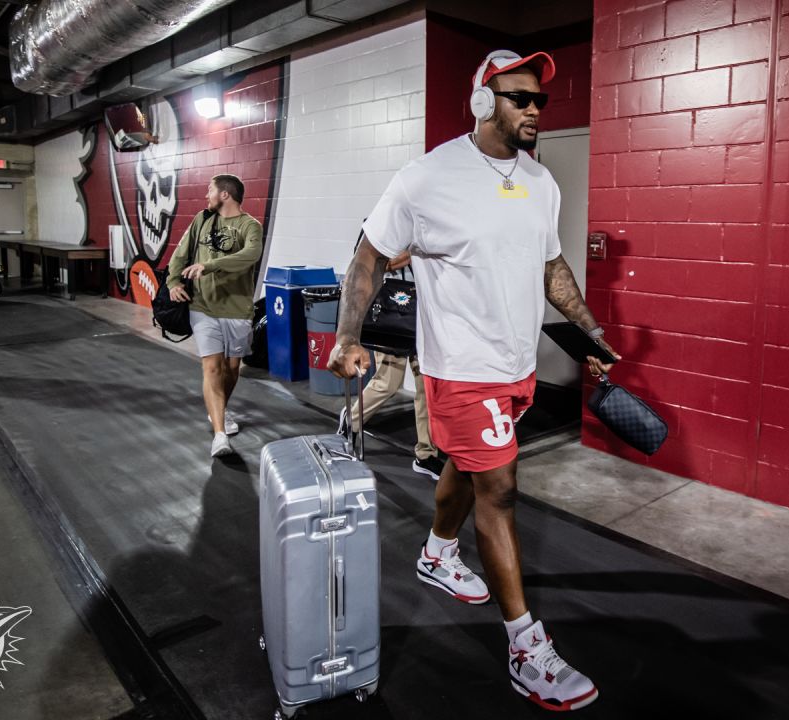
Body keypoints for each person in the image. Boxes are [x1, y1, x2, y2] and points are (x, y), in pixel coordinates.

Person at [328, 50, 618, 712]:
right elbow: (368, 256)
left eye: (539, 99)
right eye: (520, 97)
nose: (535, 109)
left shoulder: (540, 183)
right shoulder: (428, 178)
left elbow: (552, 267)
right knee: (501, 489)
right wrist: (348, 335)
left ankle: (436, 552)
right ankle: (526, 648)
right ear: (484, 103)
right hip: (461, 367)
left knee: (468, 459)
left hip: (515, 370)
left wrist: (591, 330)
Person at [166, 174, 263, 458]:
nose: (206, 195)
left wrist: (209, 265)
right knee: (212, 368)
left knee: (231, 369)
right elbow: (181, 253)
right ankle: (220, 436)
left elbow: (251, 255)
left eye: (210, 190)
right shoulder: (202, 220)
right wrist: (173, 282)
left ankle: (217, 408)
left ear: (225, 195)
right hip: (203, 306)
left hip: (237, 309)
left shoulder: (250, 226)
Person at [337, 249, 446, 480]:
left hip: (427, 314)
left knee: (426, 389)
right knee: (387, 382)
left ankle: (426, 455)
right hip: (392, 312)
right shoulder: (390, 226)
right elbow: (373, 262)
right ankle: (352, 421)